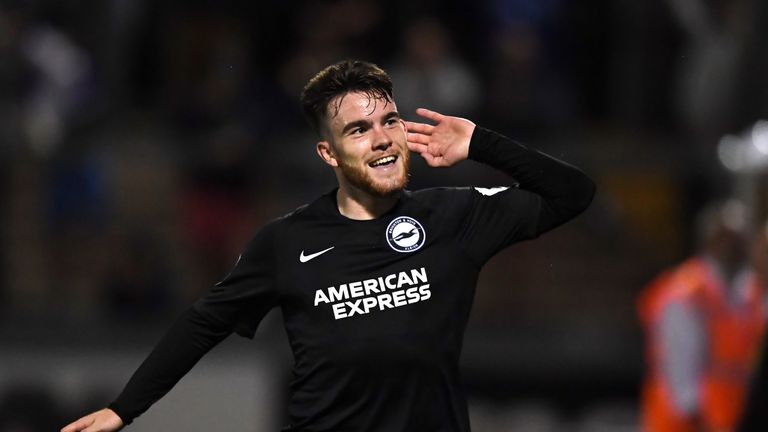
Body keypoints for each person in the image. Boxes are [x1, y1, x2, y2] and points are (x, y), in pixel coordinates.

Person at [61, 59, 595, 432]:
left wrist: (481, 143)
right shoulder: (287, 241)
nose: (383, 138)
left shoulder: (453, 216)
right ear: (329, 153)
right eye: (359, 130)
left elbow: (574, 194)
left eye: (389, 121)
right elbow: (204, 322)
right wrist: (123, 409)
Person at [637, 201, 766, 432]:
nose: (739, 246)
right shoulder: (685, 292)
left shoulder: (751, 292)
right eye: (729, 237)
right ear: (712, 239)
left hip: (735, 419)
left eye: (743, 237)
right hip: (684, 424)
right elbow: (680, 374)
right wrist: (702, 423)